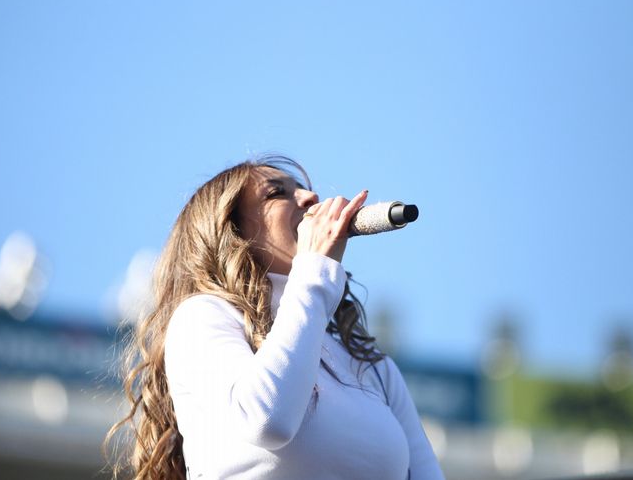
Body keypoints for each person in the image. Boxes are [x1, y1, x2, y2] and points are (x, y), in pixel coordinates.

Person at [106, 155, 445, 480]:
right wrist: (314, 271)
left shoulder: (372, 367)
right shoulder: (202, 318)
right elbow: (268, 421)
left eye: (301, 186)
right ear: (232, 232)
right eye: (277, 192)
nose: (311, 196)